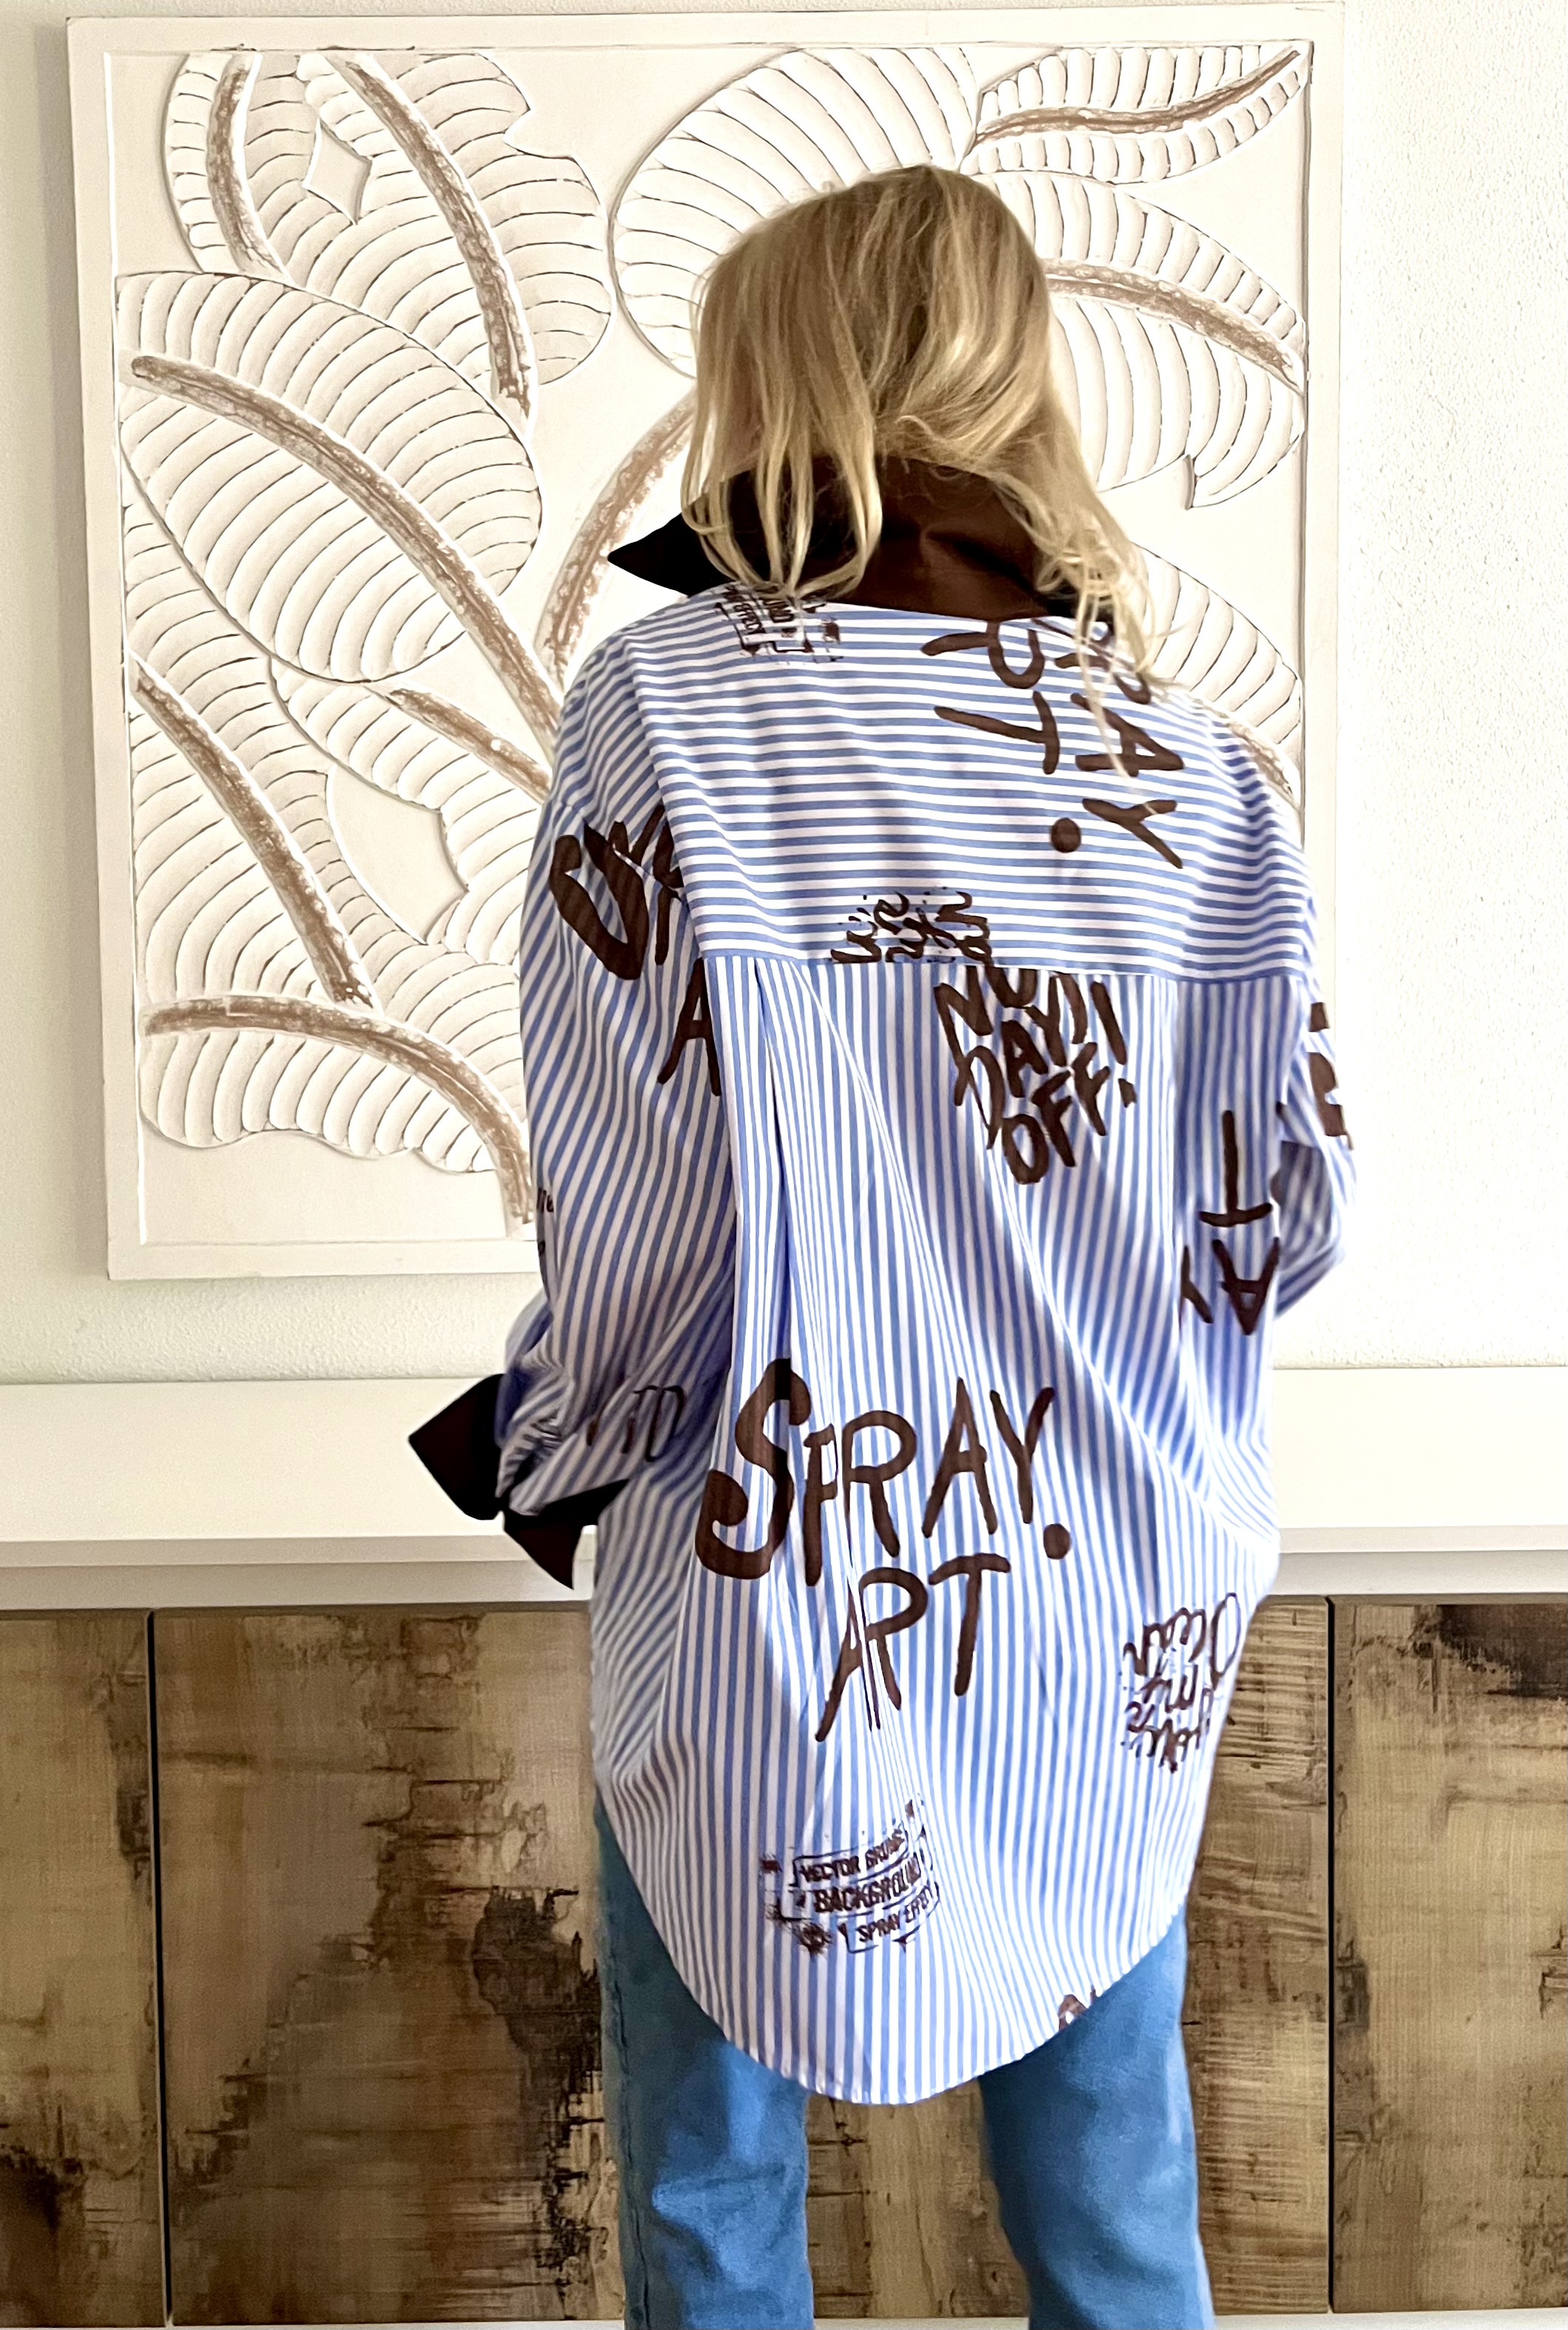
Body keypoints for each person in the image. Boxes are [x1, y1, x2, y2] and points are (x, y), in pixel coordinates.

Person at [413, 163, 1354, 2330]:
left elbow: (640, 1208)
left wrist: (557, 1444)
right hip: (1115, 1577)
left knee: (710, 2187)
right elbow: (1290, 1212)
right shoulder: (1182, 758)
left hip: (778, 1567)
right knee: (1115, 2204)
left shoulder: (670, 708)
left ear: (772, 378)